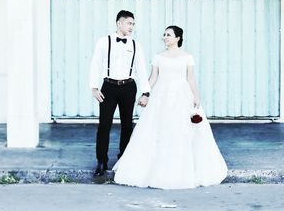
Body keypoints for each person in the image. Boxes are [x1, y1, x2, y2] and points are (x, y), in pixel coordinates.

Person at [113, 25, 227, 189]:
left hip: (182, 96)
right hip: (161, 96)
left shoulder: (187, 57)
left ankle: (183, 169)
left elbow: (191, 79)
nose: (165, 37)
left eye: (168, 35)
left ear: (178, 38)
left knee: (181, 130)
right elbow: (152, 78)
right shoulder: (159, 57)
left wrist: (196, 96)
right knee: (157, 130)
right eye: (164, 35)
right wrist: (145, 94)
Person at [89, 10, 151, 177]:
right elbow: (95, 63)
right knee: (104, 125)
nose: (131, 27)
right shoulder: (104, 42)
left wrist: (146, 92)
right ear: (119, 23)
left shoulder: (136, 45)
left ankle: (123, 159)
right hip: (108, 87)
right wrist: (94, 87)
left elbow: (142, 69)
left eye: (133, 24)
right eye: (129, 23)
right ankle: (101, 161)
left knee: (127, 125)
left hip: (128, 87)